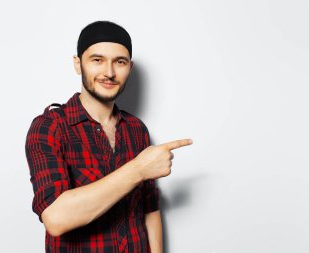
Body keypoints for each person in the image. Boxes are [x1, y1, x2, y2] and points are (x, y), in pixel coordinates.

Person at [25, 20, 193, 253]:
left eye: (120, 62)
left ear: (129, 68)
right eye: (97, 60)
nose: (109, 72)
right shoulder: (50, 126)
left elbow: (149, 208)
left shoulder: (137, 129)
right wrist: (138, 169)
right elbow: (56, 218)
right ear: (78, 64)